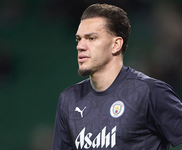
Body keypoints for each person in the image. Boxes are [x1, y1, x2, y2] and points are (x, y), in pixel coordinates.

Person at [51, 3, 182, 150]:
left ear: (116, 44)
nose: (80, 46)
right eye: (79, 39)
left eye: (92, 38)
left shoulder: (149, 92)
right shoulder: (69, 99)